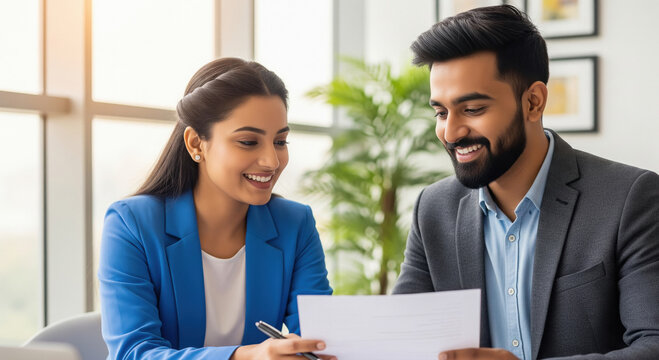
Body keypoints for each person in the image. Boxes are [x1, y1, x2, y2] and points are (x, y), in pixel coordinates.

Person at [392, 5, 659, 360]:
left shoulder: (630, 198)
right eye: (441, 112)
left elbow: (653, 346)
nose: (451, 132)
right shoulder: (434, 208)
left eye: (472, 110)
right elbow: (399, 339)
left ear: (533, 102)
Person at [98, 58, 335, 360]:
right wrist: (243, 357)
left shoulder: (295, 224)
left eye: (280, 141)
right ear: (197, 143)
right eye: (249, 142)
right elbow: (133, 353)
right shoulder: (132, 225)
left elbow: (319, 341)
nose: (272, 161)